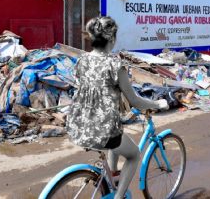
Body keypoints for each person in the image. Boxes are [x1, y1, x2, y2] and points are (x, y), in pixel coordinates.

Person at [66, 16, 168, 199]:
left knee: (116, 133)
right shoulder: (115, 64)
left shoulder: (82, 60)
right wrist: (157, 104)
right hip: (103, 129)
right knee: (134, 154)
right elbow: (135, 100)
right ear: (112, 39)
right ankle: (119, 196)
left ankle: (112, 174)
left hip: (79, 124)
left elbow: (90, 89)